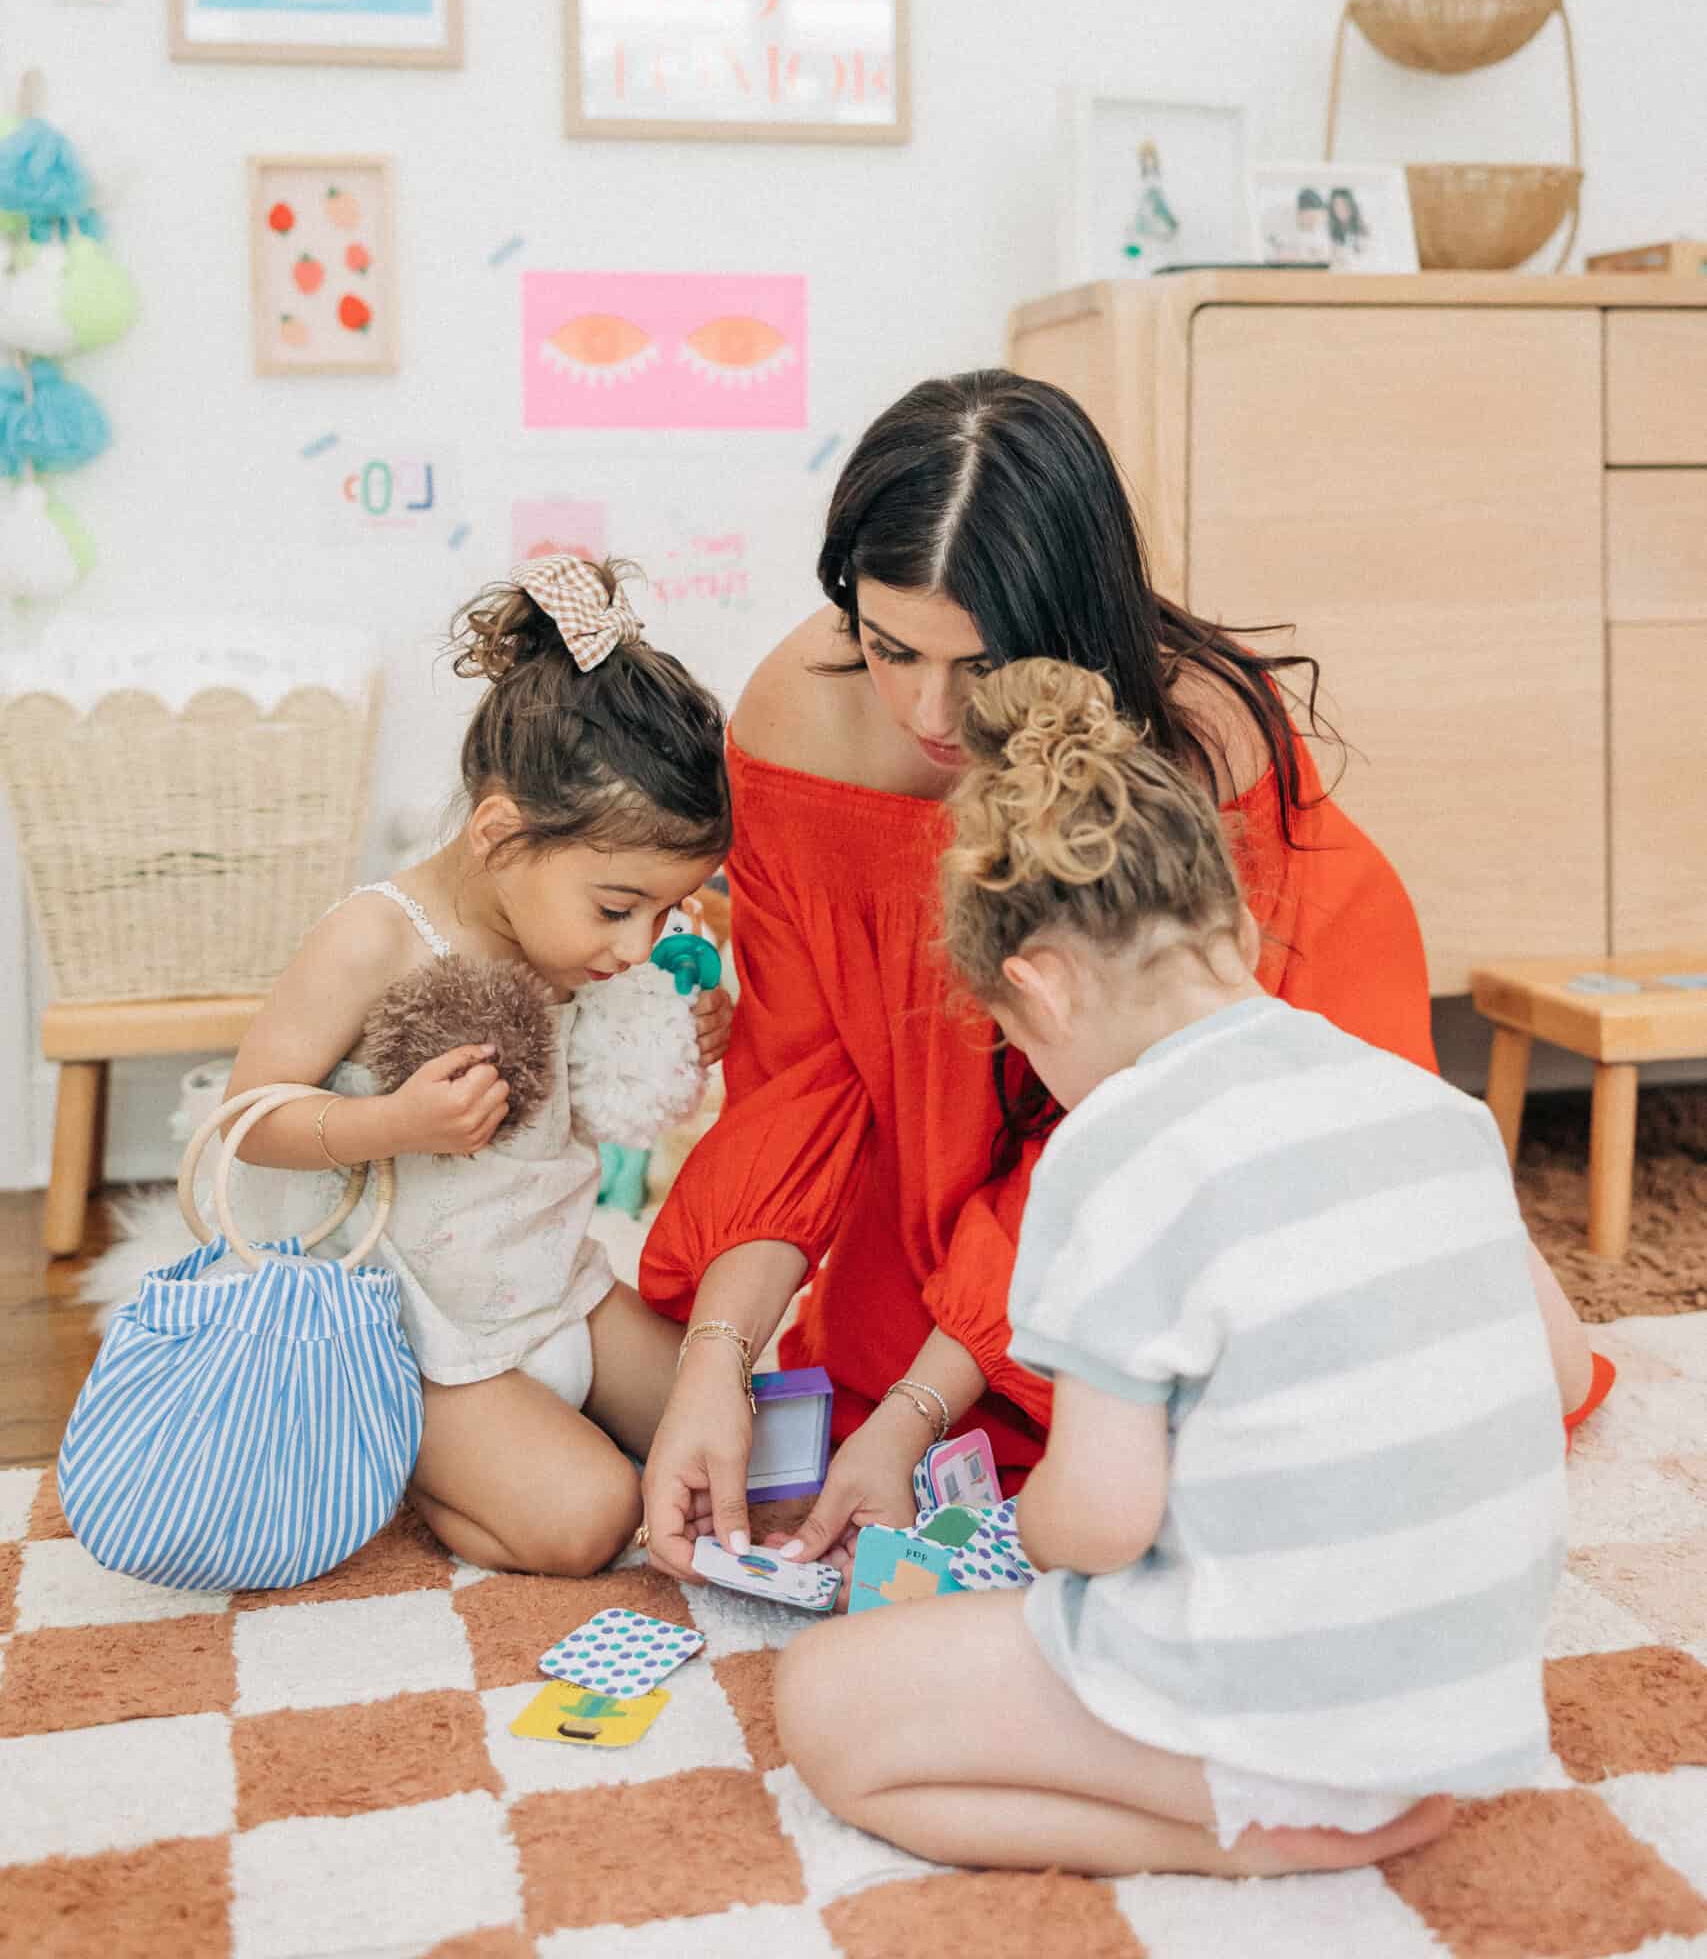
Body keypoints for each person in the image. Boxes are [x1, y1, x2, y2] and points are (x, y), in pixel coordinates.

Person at [638, 373, 1601, 1583]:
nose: (930, 709)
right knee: (877, 1378)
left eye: (981, 662)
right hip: (977, 1153)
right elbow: (797, 1076)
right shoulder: (798, 718)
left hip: (1222, 1065)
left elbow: (1134, 1131)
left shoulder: (1197, 736)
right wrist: (717, 1357)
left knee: (1325, 1367)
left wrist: (919, 1410)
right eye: (889, 647)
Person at [774, 659, 1567, 1876]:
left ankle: (1250, 1835)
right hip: (1465, 1700)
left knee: (823, 1698)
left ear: (1037, 987)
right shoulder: (1433, 1107)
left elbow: (1100, 1524)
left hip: (1274, 1701)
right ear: (1236, 927)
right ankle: (1349, 1796)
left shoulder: (1114, 1155)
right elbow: (1556, 1367)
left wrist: (1019, 1534)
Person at [222, 556, 734, 1576]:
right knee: (590, 1520)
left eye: (665, 910)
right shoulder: (376, 938)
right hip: (423, 1334)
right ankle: (407, 1459)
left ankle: (526, 1439)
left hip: (557, 1280)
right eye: (617, 907)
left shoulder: (569, 944)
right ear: (500, 834)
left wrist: (682, 1031)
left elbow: (598, 1091)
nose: (639, 944)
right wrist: (392, 1125)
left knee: (733, 1420)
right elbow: (246, 1120)